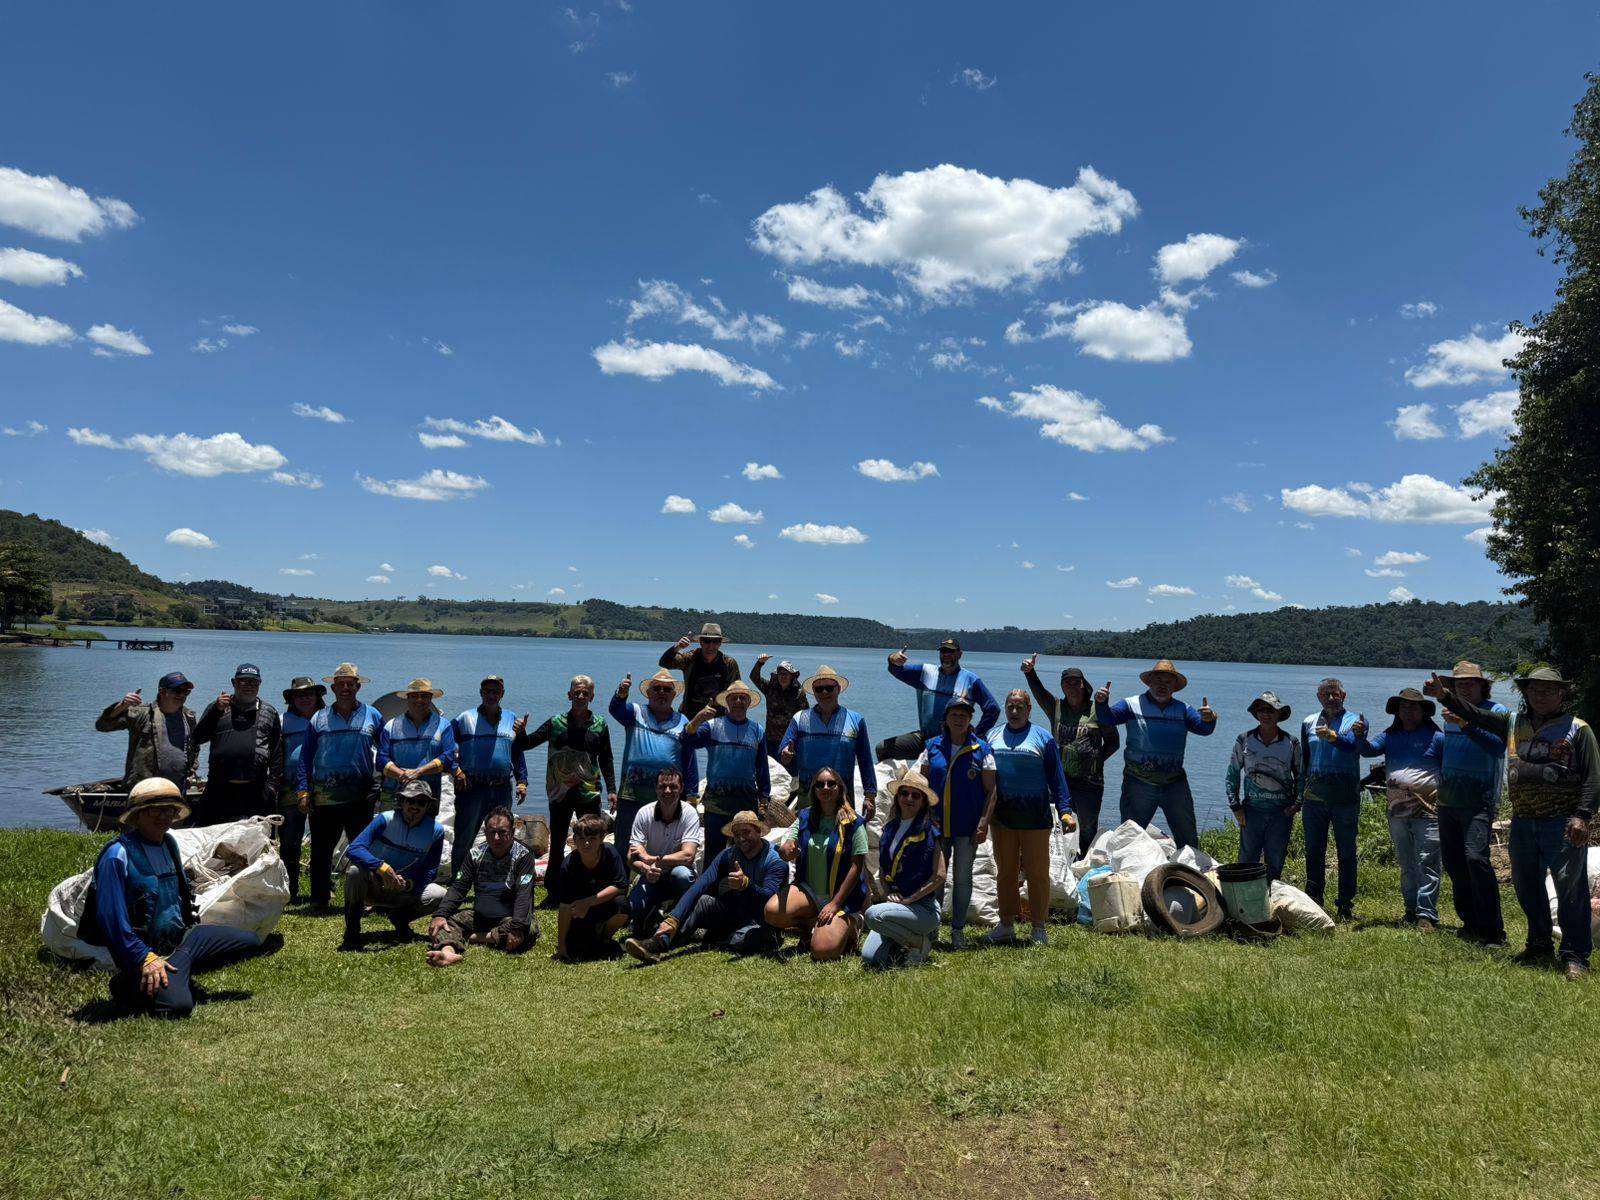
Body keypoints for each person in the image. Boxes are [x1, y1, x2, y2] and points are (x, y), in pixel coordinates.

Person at [1431, 666, 1597, 978]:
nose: (1541, 695)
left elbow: (1593, 777)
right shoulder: (1513, 723)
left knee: (1570, 890)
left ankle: (1576, 956)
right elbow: (1475, 716)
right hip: (1523, 821)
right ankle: (1538, 944)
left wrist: (1583, 816)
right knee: (1527, 886)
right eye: (1535, 690)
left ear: (1562, 694)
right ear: (1526, 693)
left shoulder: (1578, 729)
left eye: (1549, 690)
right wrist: (1444, 696)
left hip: (1562, 823)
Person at [78, 778, 263, 1017]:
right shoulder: (117, 855)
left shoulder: (168, 843)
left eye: (170, 810)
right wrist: (143, 957)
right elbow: (111, 920)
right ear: (137, 814)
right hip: (143, 953)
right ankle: (131, 984)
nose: (164, 816)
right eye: (155, 809)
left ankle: (177, 973)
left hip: (180, 943)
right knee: (178, 1007)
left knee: (250, 942)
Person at [623, 810, 787, 963]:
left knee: (743, 941)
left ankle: (715, 936)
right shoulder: (729, 854)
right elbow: (699, 886)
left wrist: (746, 885)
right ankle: (659, 943)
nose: (741, 838)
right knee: (703, 901)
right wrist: (673, 919)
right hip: (735, 911)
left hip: (761, 919)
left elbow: (769, 901)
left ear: (758, 831)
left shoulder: (775, 860)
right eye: (737, 835)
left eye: (746, 832)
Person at [513, 674, 617, 906]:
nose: (580, 696)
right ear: (569, 695)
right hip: (559, 792)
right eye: (576, 692)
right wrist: (520, 732)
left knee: (591, 840)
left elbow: (607, 759)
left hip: (589, 792)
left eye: (585, 693)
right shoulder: (555, 722)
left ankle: (589, 887)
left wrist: (612, 789)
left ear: (592, 697)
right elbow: (526, 744)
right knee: (558, 842)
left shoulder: (600, 724)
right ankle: (554, 892)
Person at [983, 689, 1075, 946]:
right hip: (1002, 818)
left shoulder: (1043, 737)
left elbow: (1057, 778)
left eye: (1020, 707)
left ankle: (1038, 927)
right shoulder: (992, 736)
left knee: (1038, 873)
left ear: (1029, 709)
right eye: (1010, 706)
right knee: (1006, 872)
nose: (1014, 712)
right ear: (1005, 708)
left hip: (1036, 817)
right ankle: (1006, 924)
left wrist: (1065, 810)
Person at [1094, 660, 1217, 850]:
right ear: (1148, 682)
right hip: (1138, 783)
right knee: (1129, 838)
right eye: (1157, 680)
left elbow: (1204, 729)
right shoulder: (1131, 704)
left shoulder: (1183, 709)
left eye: (1168, 682)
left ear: (1175, 687)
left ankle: (1188, 873)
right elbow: (1107, 718)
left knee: (1187, 837)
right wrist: (1101, 703)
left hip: (1174, 784)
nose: (1162, 685)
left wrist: (1210, 718)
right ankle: (1129, 875)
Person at [294, 662, 385, 910]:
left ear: (358, 686)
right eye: (340, 684)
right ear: (332, 687)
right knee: (321, 851)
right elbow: (305, 757)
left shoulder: (373, 715)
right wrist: (303, 791)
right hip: (324, 797)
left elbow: (386, 751)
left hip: (361, 797)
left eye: (350, 684)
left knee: (363, 848)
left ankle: (366, 897)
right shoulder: (318, 718)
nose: (345, 688)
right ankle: (318, 899)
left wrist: (385, 782)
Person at [1433, 661, 1509, 946]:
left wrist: (1465, 724)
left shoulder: (1497, 711)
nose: (1463, 687)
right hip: (1448, 800)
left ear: (1482, 685)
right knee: (1454, 864)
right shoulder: (1449, 715)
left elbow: (1497, 747)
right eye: (1458, 684)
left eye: (1469, 683)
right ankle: (1470, 923)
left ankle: (1493, 931)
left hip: (1479, 800)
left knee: (1476, 859)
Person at [914, 695, 997, 949]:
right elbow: (921, 785)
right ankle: (933, 927)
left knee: (962, 878)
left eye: (964, 715)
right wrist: (924, 818)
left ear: (970, 719)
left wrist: (983, 823)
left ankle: (958, 929)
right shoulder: (932, 747)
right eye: (954, 715)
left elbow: (992, 792)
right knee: (936, 878)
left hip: (967, 827)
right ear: (946, 719)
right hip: (938, 826)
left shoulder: (981, 749)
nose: (958, 719)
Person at [1358, 687, 1443, 930]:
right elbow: (1367, 751)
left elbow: (1449, 769)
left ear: (1423, 711)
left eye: (1413, 706)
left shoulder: (1436, 738)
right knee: (1406, 863)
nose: (1407, 710)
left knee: (1427, 862)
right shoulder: (1390, 735)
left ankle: (1426, 914)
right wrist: (1360, 735)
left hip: (1429, 812)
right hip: (1397, 812)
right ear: (1397, 711)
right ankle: (1410, 909)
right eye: (1403, 706)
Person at [1021, 658, 1119, 859]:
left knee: (1088, 827)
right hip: (1059, 779)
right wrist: (1030, 672)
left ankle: (1083, 865)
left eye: (1076, 682)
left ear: (1084, 685)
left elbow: (1114, 742)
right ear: (1062, 687)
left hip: (1090, 782)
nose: (1072, 687)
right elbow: (1039, 693)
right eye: (1067, 683)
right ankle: (1055, 862)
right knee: (1054, 822)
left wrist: (1096, 760)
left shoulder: (1097, 710)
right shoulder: (1055, 707)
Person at [766, 768, 868, 961]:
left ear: (840, 788)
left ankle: (854, 923)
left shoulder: (854, 823)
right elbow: (786, 848)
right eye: (820, 784)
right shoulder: (805, 816)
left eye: (831, 783)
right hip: (810, 891)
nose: (825, 787)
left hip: (841, 898)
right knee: (772, 913)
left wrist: (835, 903)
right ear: (814, 790)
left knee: (822, 951)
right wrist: (786, 852)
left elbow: (857, 867)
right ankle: (809, 926)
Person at [608, 670, 699, 872]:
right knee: (624, 841)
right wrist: (621, 693)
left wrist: (692, 793)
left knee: (667, 843)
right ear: (648, 693)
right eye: (656, 688)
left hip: (668, 796)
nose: (661, 692)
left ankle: (661, 882)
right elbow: (615, 710)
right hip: (632, 792)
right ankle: (619, 887)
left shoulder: (683, 721)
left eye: (667, 689)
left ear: (674, 695)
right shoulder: (635, 712)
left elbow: (690, 758)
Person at [341, 780, 447, 950]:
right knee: (355, 872)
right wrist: (381, 868)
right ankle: (352, 931)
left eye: (421, 802)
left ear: (428, 806)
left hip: (404, 891)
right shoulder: (385, 819)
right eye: (410, 800)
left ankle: (400, 918)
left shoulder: (436, 831)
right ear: (402, 801)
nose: (415, 806)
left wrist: (411, 884)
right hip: (372, 886)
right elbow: (354, 848)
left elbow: (431, 869)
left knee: (440, 894)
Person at [427, 805, 536, 966]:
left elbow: (523, 893)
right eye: (492, 832)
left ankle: (474, 937)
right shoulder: (474, 855)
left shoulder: (524, 855)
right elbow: (459, 887)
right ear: (485, 833)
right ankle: (448, 952)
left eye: (502, 832)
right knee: (445, 924)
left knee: (530, 929)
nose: (497, 838)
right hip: (480, 916)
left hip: (509, 916)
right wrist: (440, 914)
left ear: (512, 832)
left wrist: (518, 926)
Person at [862, 772, 947, 968]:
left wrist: (909, 899)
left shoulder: (929, 831)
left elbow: (940, 875)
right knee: (870, 958)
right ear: (897, 796)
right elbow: (883, 870)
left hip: (922, 908)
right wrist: (889, 893)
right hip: (898, 905)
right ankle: (908, 939)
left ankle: (919, 942)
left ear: (923, 801)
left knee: (872, 915)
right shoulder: (890, 827)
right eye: (904, 793)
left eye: (916, 795)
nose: (909, 798)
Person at [450, 675, 529, 880]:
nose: (492, 695)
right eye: (487, 691)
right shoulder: (464, 718)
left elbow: (517, 751)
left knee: (501, 835)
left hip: (502, 787)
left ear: (502, 694)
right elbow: (445, 745)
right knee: (465, 837)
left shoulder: (512, 718)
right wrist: (455, 769)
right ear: (481, 693)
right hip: (472, 787)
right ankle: (459, 881)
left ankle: (498, 878)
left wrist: (522, 781)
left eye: (496, 691)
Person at [685, 680, 771, 866]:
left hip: (746, 804)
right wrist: (697, 719)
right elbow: (687, 741)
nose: (738, 701)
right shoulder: (713, 726)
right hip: (716, 805)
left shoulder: (757, 731)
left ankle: (744, 890)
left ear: (748, 703)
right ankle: (710, 892)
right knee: (713, 855)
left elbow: (762, 767)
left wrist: (764, 798)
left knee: (746, 853)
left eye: (743, 698)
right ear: (727, 702)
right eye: (734, 698)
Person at [1302, 678, 1367, 920]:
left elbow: (1352, 746)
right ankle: (1313, 901)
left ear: (1344, 696)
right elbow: (1304, 761)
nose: (1331, 698)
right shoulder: (1308, 722)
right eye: (1326, 694)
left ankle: (1345, 905)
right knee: (1314, 851)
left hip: (1345, 799)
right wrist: (1300, 793)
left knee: (1347, 853)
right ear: (1318, 697)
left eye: (1336, 694)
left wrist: (1333, 737)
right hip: (1314, 800)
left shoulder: (1357, 720)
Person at [877, 638, 1000, 762]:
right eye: (943, 651)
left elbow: (992, 709)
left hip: (955, 742)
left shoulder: (970, 680)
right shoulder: (925, 672)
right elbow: (896, 670)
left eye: (950, 651)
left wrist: (977, 734)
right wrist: (892, 659)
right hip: (925, 738)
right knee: (883, 748)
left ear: (960, 654)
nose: (946, 655)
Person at [776, 666, 877, 813]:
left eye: (829, 688)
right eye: (819, 689)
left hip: (843, 796)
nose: (824, 692)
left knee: (843, 834)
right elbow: (783, 753)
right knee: (808, 835)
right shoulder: (799, 718)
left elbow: (865, 761)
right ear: (813, 692)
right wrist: (786, 754)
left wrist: (870, 795)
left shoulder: (856, 720)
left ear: (839, 689)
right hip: (808, 798)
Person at [1225, 692, 1302, 883]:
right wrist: (1235, 807)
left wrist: (1296, 805)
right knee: (1246, 862)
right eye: (1261, 710)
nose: (1265, 714)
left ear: (1279, 714)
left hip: (1281, 813)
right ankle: (1244, 902)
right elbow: (1232, 774)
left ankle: (1270, 900)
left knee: (1275, 861)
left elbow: (1302, 776)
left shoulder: (1291, 742)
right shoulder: (1244, 740)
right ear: (1256, 714)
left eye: (1270, 710)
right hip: (1251, 812)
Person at [193, 663, 282, 825]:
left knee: (256, 844)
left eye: (254, 682)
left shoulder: (270, 711)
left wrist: (272, 786)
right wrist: (216, 709)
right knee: (214, 841)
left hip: (256, 790)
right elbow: (197, 738)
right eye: (244, 681)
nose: (249, 685)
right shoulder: (218, 708)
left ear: (260, 685)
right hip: (218, 789)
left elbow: (276, 752)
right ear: (234, 683)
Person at [625, 766, 702, 937]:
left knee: (682, 874)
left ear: (681, 788)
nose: (668, 791)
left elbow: (688, 856)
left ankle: (684, 915)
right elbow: (631, 857)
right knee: (635, 909)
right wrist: (645, 869)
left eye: (673, 787)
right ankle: (651, 913)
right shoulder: (644, 813)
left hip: (677, 875)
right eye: (662, 787)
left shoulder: (689, 813)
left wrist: (649, 858)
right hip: (651, 874)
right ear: (656, 788)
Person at [94, 671, 199, 794]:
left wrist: (192, 770)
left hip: (177, 789)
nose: (181, 695)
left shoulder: (189, 717)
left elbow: (194, 747)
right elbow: (102, 725)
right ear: (162, 691)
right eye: (177, 690)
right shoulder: (142, 714)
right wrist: (122, 705)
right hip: (144, 789)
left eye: (186, 692)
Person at [549, 814, 630, 962]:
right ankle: (593, 939)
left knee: (623, 906)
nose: (586, 843)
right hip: (579, 914)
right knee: (581, 950)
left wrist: (588, 902)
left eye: (592, 838)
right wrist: (561, 947)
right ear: (574, 840)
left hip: (601, 904)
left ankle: (605, 938)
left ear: (601, 838)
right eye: (581, 839)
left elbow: (620, 886)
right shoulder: (568, 866)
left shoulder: (610, 853)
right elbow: (565, 906)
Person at [277, 676, 325, 902]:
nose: (304, 698)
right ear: (292, 699)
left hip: (323, 789)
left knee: (324, 840)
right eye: (299, 694)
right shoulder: (281, 721)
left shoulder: (326, 718)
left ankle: (322, 887)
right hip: (289, 790)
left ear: (318, 696)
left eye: (309, 693)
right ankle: (290, 888)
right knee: (289, 842)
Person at [379, 678, 455, 808]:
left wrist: (419, 772)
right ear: (407, 698)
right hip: (394, 794)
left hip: (429, 796)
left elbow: (448, 757)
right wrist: (403, 775)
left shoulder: (443, 725)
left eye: (424, 696)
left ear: (431, 698)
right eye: (414, 696)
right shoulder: (391, 725)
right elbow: (381, 760)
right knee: (392, 827)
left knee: (425, 828)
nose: (419, 700)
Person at [658, 623, 742, 717]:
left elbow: (737, 690)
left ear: (720, 643)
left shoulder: (729, 663)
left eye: (715, 641)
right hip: (689, 715)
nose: (711, 646)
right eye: (707, 641)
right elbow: (664, 663)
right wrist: (678, 647)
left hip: (718, 717)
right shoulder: (690, 658)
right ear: (700, 642)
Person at [750, 654, 809, 760]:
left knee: (790, 773)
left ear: (792, 676)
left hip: (789, 741)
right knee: (771, 773)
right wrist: (760, 663)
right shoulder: (770, 688)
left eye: (786, 674)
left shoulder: (799, 693)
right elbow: (754, 677)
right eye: (780, 674)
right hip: (770, 740)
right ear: (777, 675)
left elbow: (805, 717)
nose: (783, 677)